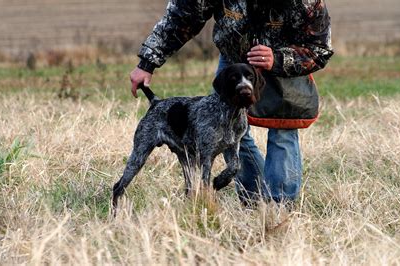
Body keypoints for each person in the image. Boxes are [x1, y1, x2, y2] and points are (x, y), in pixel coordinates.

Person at [129, 0, 333, 206]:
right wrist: (147, 62)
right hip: (234, 62)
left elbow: (320, 48)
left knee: (283, 131)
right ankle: (253, 200)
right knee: (229, 133)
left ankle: (280, 208)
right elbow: (182, 17)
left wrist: (278, 59)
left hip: (284, 61)